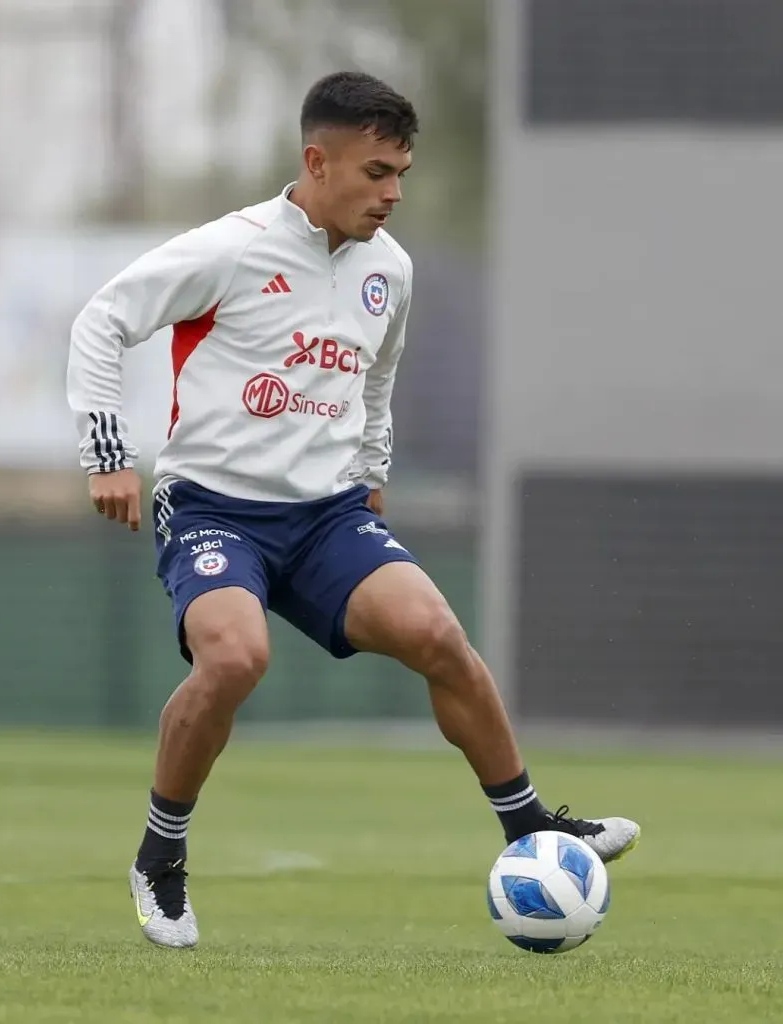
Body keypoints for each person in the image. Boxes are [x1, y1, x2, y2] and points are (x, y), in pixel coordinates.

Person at [66, 71, 639, 949]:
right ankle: (160, 856)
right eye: (376, 172)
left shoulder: (390, 271)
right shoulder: (231, 248)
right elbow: (102, 321)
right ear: (316, 161)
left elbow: (376, 383)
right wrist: (107, 455)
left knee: (440, 637)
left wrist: (370, 474)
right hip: (217, 508)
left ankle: (531, 832)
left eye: (401, 173)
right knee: (234, 659)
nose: (393, 194)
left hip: (329, 515)